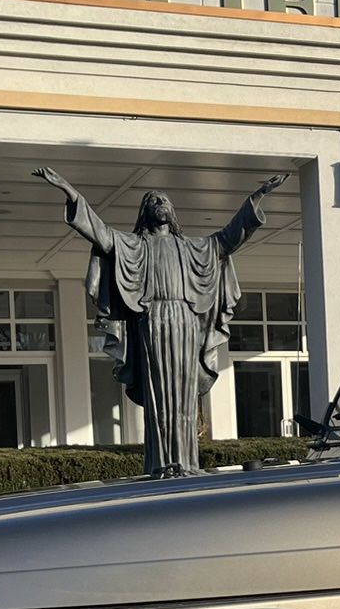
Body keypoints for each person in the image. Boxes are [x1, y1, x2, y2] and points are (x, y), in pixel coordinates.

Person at [36, 166, 285, 474]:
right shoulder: (134, 246)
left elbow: (227, 239)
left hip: (185, 321)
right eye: (154, 201)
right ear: (145, 212)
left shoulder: (192, 247)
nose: (161, 205)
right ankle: (161, 463)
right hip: (152, 321)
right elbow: (100, 233)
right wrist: (68, 190)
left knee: (183, 395)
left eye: (165, 201)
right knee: (159, 395)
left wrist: (257, 197)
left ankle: (187, 462)